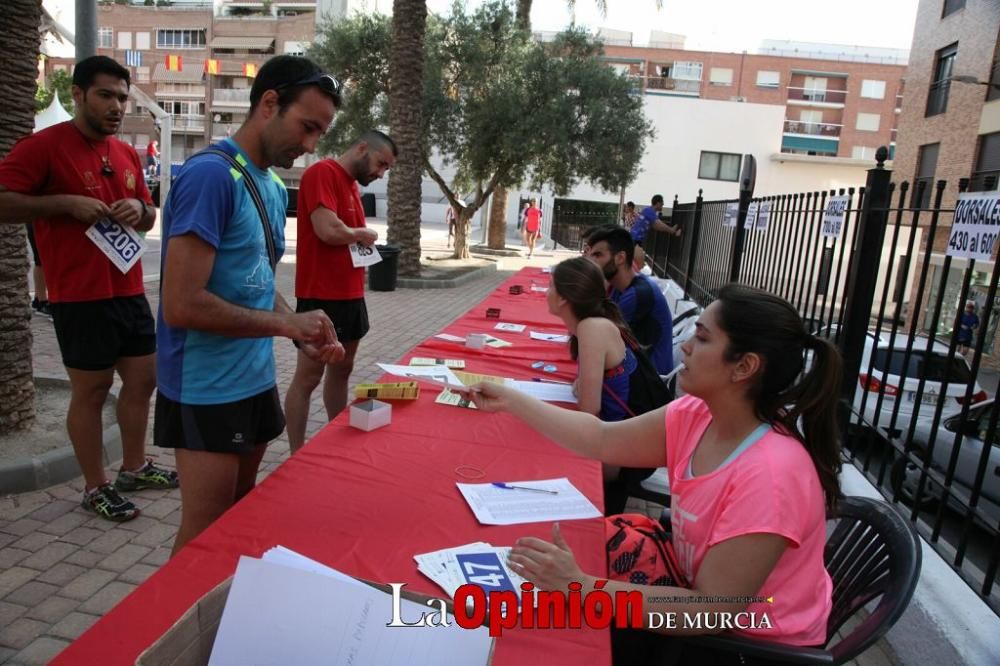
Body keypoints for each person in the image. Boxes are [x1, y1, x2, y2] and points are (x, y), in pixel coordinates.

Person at [460, 284, 841, 662]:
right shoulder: (698, 414)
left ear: (744, 366)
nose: (687, 346)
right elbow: (602, 439)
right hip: (696, 599)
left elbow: (712, 611)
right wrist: (511, 400)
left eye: (703, 338)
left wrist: (579, 585)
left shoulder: (771, 476)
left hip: (748, 646)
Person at [155, 55, 345, 554]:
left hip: (254, 380)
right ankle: (173, 629)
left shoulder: (269, 183)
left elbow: (255, 282)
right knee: (204, 533)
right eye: (306, 127)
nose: (309, 146)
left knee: (239, 516)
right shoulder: (209, 178)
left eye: (319, 134)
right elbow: (181, 304)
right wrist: (285, 327)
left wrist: (297, 326)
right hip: (206, 387)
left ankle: (220, 622)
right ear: (268, 103)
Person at [0, 55, 177, 521]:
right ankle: (96, 485)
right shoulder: (44, 147)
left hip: (129, 288)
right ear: (78, 94)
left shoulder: (124, 153)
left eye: (122, 97)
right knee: (93, 391)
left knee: (143, 381)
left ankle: (135, 467)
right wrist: (61, 205)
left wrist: (141, 212)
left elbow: (149, 212)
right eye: (106, 95)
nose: (117, 106)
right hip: (79, 296)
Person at [284, 130, 397, 454]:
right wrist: (361, 233)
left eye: (386, 168)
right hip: (321, 296)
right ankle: (296, 453)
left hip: (350, 295)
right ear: (362, 147)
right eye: (381, 163)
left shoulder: (349, 185)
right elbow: (327, 229)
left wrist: (357, 236)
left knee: (342, 371)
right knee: (308, 377)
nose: (381, 173)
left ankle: (337, 445)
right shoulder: (323, 173)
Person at [587, 227, 674, 375]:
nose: (590, 260)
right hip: (634, 370)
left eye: (598, 255)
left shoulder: (637, 294)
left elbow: (598, 337)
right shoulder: (618, 287)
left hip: (649, 380)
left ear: (620, 258)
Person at [632, 194, 681, 268]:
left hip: (635, 239)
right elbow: (659, 224)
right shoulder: (650, 211)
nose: (663, 205)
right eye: (662, 203)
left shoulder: (647, 210)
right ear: (657, 203)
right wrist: (672, 231)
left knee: (634, 262)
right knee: (635, 263)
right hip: (635, 240)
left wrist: (671, 230)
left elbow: (656, 227)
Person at [27, 222, 52, 319]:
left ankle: (38, 299)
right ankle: (42, 302)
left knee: (41, 261)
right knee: (41, 261)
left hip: (38, 222)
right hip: (38, 222)